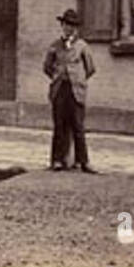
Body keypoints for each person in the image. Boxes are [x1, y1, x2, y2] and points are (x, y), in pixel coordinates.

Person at [43, 9, 98, 173]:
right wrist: (58, 77)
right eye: (67, 25)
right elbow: (47, 67)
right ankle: (57, 160)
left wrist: (78, 79)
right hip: (60, 89)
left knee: (78, 127)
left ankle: (84, 162)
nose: (69, 29)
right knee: (59, 126)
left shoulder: (82, 47)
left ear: (77, 28)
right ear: (62, 26)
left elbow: (91, 68)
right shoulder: (54, 46)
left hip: (76, 91)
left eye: (73, 26)